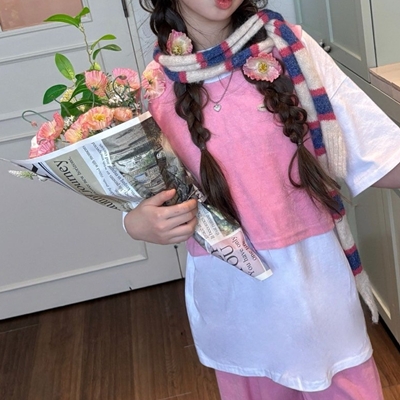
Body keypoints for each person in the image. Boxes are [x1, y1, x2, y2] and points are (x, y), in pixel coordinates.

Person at [124, 0, 400, 398]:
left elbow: (379, 151)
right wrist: (136, 224)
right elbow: (141, 193)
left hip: (318, 294)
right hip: (237, 306)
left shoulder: (291, 48)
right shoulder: (153, 86)